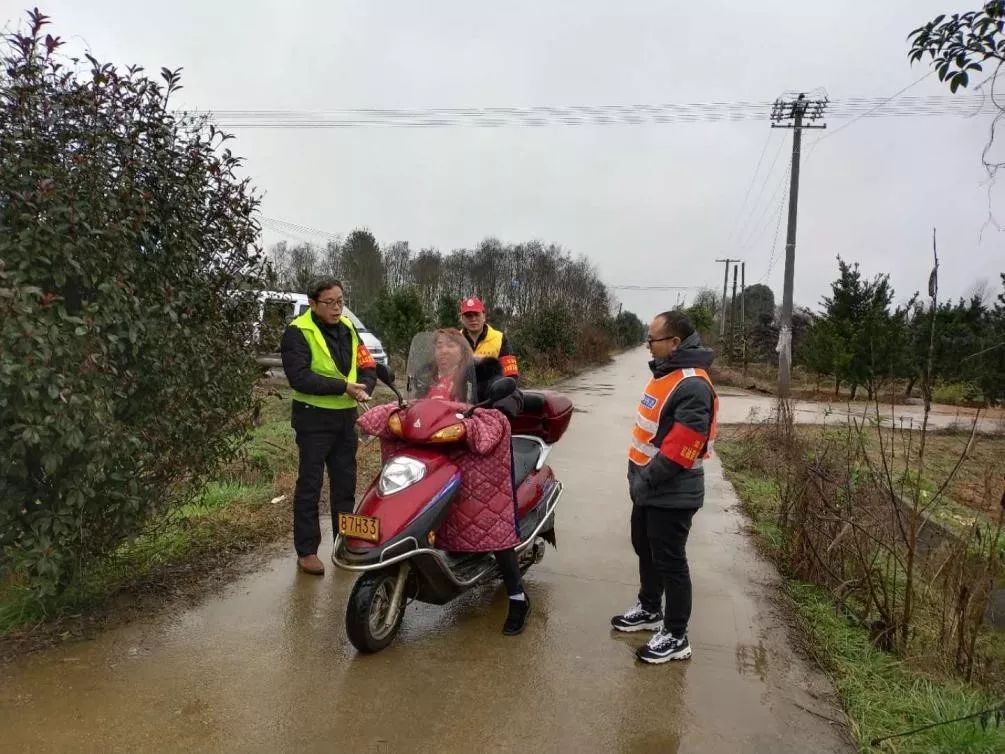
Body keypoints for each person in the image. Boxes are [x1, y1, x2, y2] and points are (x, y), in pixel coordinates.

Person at [611, 311, 718, 664]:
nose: (647, 344)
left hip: (670, 491)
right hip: (648, 487)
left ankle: (676, 634)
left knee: (671, 562)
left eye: (652, 338)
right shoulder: (667, 374)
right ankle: (648, 607)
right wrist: (638, 480)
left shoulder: (691, 385)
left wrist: (646, 480)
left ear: (674, 343)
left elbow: (680, 451)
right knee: (645, 548)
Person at [417, 328, 531, 635]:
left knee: (490, 521)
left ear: (463, 349)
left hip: (479, 458)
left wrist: (493, 411)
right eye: (438, 345)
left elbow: (512, 397)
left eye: (449, 345)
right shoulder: (427, 378)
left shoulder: (483, 372)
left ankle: (518, 597)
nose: (442, 351)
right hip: (440, 454)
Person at [280, 279, 377, 576]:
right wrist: (344, 387)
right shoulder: (297, 332)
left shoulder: (348, 328)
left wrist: (364, 387)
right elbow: (300, 377)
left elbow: (367, 364)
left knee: (345, 484)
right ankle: (307, 551)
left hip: (345, 420)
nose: (337, 308)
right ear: (313, 303)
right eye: (330, 302)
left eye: (340, 301)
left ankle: (344, 541)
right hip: (313, 420)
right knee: (310, 485)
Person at [458, 297, 519, 379]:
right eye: (468, 316)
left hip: (493, 389)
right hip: (463, 389)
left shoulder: (500, 338)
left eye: (476, 314)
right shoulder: (455, 340)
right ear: (462, 318)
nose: (473, 319)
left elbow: (511, 375)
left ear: (483, 316)